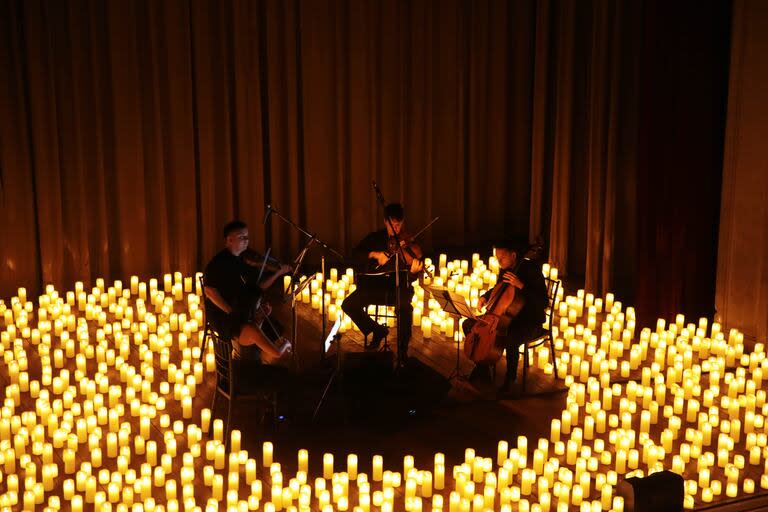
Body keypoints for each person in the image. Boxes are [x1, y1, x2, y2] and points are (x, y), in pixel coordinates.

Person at [462, 238, 548, 391]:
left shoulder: (531, 269)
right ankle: (482, 367)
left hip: (529, 320)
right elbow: (499, 288)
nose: (498, 261)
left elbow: (542, 302)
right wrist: (485, 297)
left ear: (513, 255)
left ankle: (510, 378)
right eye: (497, 258)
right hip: (505, 318)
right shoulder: (506, 269)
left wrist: (521, 285)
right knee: (468, 325)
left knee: (509, 337)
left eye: (501, 258)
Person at [342, 203, 424, 360]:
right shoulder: (374, 238)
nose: (397, 229)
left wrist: (413, 273)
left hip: (399, 288)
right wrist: (374, 254)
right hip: (374, 288)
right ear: (386, 222)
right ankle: (377, 330)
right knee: (348, 304)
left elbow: (412, 277)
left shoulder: (407, 242)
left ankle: (402, 352)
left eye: (399, 224)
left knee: (405, 307)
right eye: (393, 224)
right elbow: (354, 254)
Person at [203, 220, 292, 361]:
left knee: (275, 328)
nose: (246, 240)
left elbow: (258, 287)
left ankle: (257, 358)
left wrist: (278, 273)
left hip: (240, 309)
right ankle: (250, 359)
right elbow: (209, 291)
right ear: (229, 240)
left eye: (247, 237)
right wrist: (232, 312)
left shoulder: (242, 259)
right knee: (260, 332)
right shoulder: (218, 263)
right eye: (241, 237)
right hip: (223, 314)